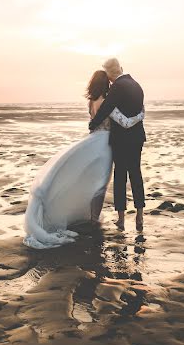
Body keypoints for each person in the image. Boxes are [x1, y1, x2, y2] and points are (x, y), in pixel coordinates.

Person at [22, 69, 144, 249]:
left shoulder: (91, 101)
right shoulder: (107, 102)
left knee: (89, 180)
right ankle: (94, 218)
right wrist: (141, 113)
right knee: (100, 184)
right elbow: (121, 120)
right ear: (106, 84)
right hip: (105, 145)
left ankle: (91, 216)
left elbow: (92, 123)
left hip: (93, 141)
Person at [88, 57, 146, 232]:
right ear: (120, 68)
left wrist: (92, 124)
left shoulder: (117, 87)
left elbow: (106, 108)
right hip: (137, 138)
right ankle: (140, 215)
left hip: (121, 140)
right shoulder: (137, 85)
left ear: (109, 74)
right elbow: (139, 109)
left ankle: (121, 219)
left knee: (120, 177)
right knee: (136, 174)